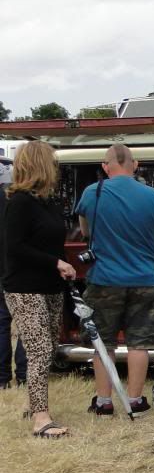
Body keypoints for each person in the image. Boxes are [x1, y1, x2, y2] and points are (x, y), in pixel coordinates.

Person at [75, 143, 154, 416]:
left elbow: (86, 232)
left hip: (104, 279)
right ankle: (135, 400)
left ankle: (103, 401)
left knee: (103, 341)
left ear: (105, 167)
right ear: (136, 164)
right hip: (145, 279)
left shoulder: (91, 193)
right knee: (139, 342)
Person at [1, 141, 77, 437]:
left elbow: (52, 241)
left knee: (49, 348)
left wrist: (63, 265)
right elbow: (15, 248)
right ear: (41, 165)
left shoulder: (47, 201)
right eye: (52, 162)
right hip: (24, 287)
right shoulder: (19, 202)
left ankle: (34, 404)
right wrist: (56, 261)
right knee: (40, 349)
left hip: (50, 286)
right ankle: (41, 420)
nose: (56, 168)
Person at [0, 166, 28, 388]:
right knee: (26, 323)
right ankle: (24, 373)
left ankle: (2, 378)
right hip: (20, 269)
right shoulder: (21, 199)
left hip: (5, 268)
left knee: (2, 322)